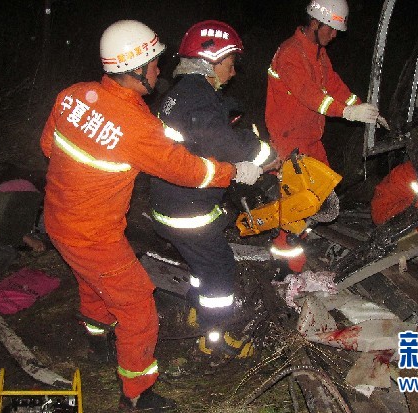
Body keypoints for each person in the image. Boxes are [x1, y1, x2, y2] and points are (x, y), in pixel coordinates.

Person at [40, 20, 262, 411]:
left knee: (92, 280)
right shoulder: (136, 124)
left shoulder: (72, 96)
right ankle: (137, 393)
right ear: (137, 69)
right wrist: (233, 172)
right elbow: (185, 169)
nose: (160, 70)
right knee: (138, 305)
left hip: (56, 219)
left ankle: (96, 336)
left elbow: (47, 146)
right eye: (155, 63)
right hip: (94, 234)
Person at [149, 20, 279, 357]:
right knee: (220, 269)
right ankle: (215, 338)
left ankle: (196, 311)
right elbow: (225, 144)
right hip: (187, 210)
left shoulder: (182, 94)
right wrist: (266, 153)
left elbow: (203, 140)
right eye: (230, 63)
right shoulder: (199, 99)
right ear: (210, 60)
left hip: (170, 201)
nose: (233, 72)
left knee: (201, 265)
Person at [265, 0, 389, 274]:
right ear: (315, 23)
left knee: (320, 198)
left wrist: (363, 107)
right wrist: (347, 113)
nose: (334, 36)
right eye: (331, 29)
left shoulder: (318, 54)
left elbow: (333, 85)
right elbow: (310, 95)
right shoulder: (290, 54)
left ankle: (297, 244)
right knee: (296, 206)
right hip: (289, 141)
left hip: (310, 139)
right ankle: (285, 267)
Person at [370, 160, 418, 288]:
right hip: (390, 217)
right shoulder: (414, 173)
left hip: (415, 216)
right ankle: (403, 250)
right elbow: (381, 209)